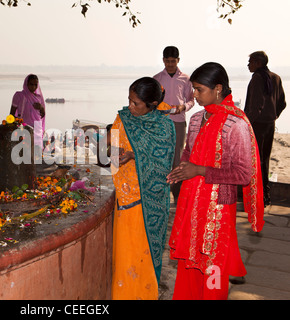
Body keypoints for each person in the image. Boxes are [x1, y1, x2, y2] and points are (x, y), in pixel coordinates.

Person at [167, 62, 264, 300]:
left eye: (199, 90)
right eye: (194, 89)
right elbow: (189, 151)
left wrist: (199, 170)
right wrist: (181, 169)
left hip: (218, 210)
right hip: (192, 203)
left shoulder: (236, 124)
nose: (195, 95)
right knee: (189, 262)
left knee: (212, 268)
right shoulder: (198, 118)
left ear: (218, 88)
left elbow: (243, 174)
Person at [110, 77, 176, 300]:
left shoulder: (164, 126)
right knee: (125, 255)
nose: (130, 107)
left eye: (136, 103)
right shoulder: (123, 119)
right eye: (129, 100)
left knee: (144, 254)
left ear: (152, 104)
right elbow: (111, 149)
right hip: (126, 198)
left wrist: (134, 155)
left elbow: (164, 163)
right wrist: (115, 153)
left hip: (150, 202)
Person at [244, 51, 286, 207]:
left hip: (258, 125)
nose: (248, 65)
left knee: (256, 160)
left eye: (250, 62)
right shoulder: (275, 77)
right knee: (264, 159)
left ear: (258, 63)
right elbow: (282, 103)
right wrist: (273, 116)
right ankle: (264, 194)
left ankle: (260, 195)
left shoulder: (257, 78)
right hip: (269, 124)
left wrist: (246, 123)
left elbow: (255, 106)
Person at [154, 46, 194, 203]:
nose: (170, 64)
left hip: (178, 123)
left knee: (177, 160)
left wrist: (184, 107)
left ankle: (178, 197)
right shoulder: (156, 79)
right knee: (161, 157)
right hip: (160, 123)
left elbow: (191, 99)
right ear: (163, 60)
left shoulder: (185, 79)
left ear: (178, 60)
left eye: (173, 61)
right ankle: (161, 196)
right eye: (167, 61)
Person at [10, 74, 46, 154]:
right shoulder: (19, 95)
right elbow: (12, 113)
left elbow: (43, 114)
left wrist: (41, 108)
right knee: (25, 151)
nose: (33, 87)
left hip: (37, 127)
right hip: (24, 126)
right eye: (31, 84)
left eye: (35, 85)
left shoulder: (39, 97)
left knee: (36, 151)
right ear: (26, 84)